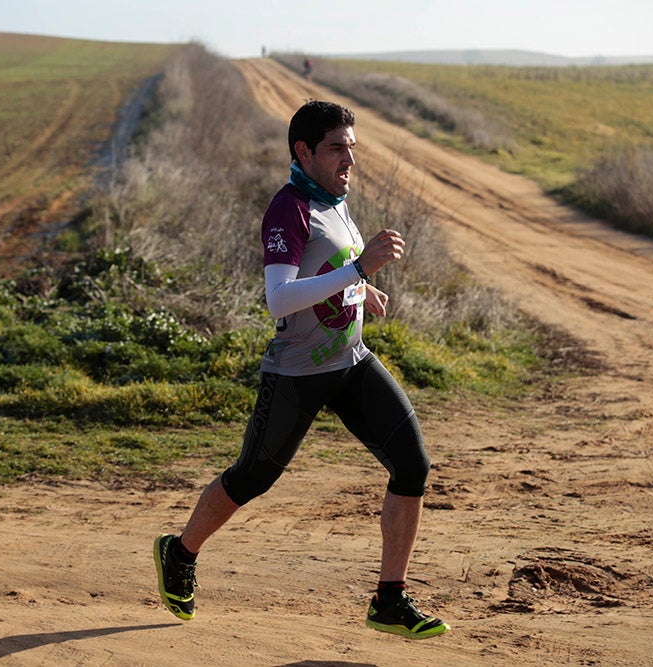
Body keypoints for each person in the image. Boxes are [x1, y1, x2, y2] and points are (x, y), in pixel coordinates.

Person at [154, 100, 450, 640]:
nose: (349, 160)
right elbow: (279, 298)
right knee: (253, 477)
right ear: (304, 151)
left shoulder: (335, 202)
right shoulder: (288, 208)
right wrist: (361, 268)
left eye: (352, 149)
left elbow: (328, 269)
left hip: (350, 361)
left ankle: (389, 600)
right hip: (296, 372)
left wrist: (363, 289)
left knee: (413, 466)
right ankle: (180, 550)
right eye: (337, 148)